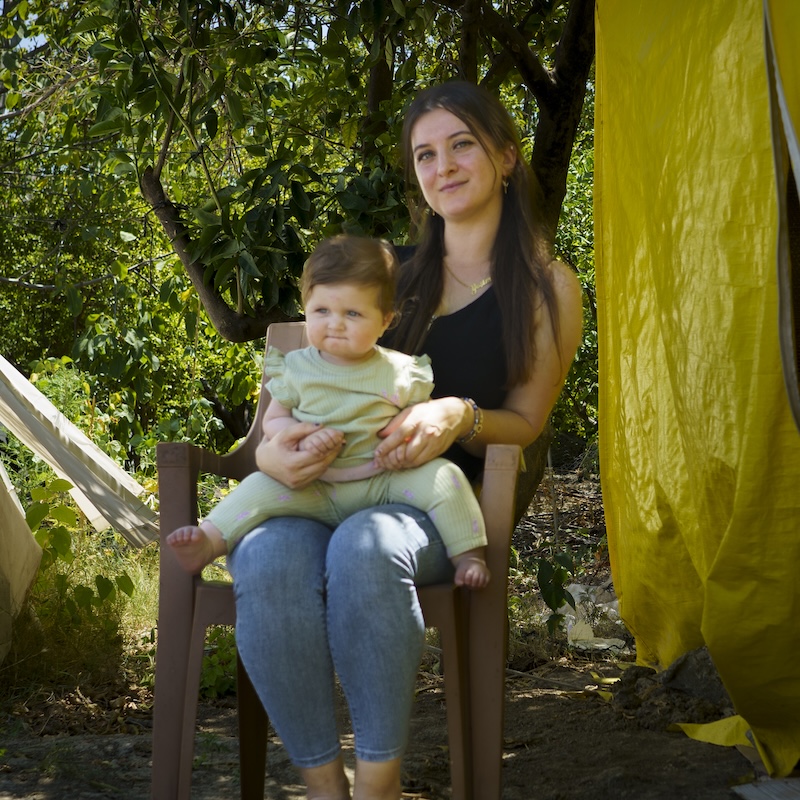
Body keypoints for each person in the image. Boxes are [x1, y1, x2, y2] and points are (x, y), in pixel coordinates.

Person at [225, 80, 583, 800]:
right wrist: (273, 454)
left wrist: (459, 415)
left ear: (506, 157)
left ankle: (378, 783)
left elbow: (526, 418)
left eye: (461, 145)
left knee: (368, 546)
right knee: (261, 554)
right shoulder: (384, 273)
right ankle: (327, 786)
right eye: (425, 154)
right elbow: (281, 406)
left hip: (429, 504)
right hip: (322, 487)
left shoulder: (548, 286)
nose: (442, 166)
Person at [167, 235, 490, 588]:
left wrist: (405, 445)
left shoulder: (399, 371)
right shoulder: (296, 369)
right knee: (257, 487)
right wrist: (297, 434)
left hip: (384, 479)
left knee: (446, 478)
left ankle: (468, 554)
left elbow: (419, 420)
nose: (335, 323)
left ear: (386, 320)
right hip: (313, 483)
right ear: (306, 307)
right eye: (322, 311)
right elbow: (274, 420)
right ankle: (209, 541)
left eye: (352, 313)